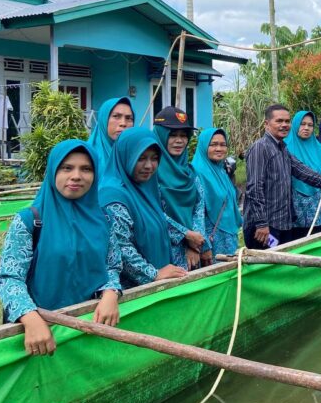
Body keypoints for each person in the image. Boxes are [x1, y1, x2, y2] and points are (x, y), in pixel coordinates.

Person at [0, 140, 122, 356]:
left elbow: (112, 265)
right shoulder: (30, 220)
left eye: (86, 169)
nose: (76, 176)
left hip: (87, 327)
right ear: (53, 171)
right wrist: (30, 317)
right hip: (40, 333)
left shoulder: (104, 219)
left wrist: (111, 293)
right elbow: (9, 278)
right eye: (67, 168)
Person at [243, 104, 321, 248]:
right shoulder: (261, 148)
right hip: (265, 228)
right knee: (266, 264)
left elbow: (303, 171)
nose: (284, 125)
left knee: (282, 263)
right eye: (279, 121)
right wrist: (261, 223)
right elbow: (254, 188)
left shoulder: (282, 149)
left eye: (287, 121)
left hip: (282, 223)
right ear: (267, 124)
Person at [100, 127, 188, 288]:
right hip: (129, 296)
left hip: (156, 287)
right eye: (141, 158)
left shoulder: (146, 189)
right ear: (125, 156)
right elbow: (121, 247)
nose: (149, 165)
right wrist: (154, 274)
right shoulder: (112, 195)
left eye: (154, 158)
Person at [152, 106, 210, 269]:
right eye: (173, 135)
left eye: (184, 135)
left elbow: (199, 207)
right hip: (163, 252)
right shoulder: (149, 172)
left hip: (193, 252)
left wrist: (196, 242)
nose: (179, 141)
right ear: (161, 135)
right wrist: (185, 235)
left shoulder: (190, 172)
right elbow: (151, 210)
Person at [192, 128, 244, 260]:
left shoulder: (221, 171)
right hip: (211, 241)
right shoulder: (197, 172)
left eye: (222, 144)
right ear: (204, 146)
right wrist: (204, 246)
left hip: (228, 236)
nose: (219, 148)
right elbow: (196, 214)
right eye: (213, 144)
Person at [284, 111, 321, 237]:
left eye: (310, 125)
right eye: (302, 124)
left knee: (315, 244)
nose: (306, 128)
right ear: (295, 125)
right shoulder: (284, 148)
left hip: (316, 211)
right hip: (292, 214)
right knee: (293, 248)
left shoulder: (319, 150)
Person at [86, 97, 135, 173]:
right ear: (104, 119)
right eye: (116, 116)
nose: (123, 123)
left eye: (129, 118)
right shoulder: (87, 156)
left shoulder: (137, 155)